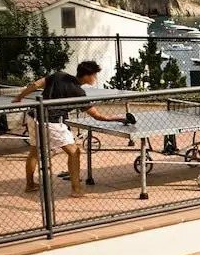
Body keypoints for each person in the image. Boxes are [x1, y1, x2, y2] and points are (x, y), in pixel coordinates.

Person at [12, 61, 125, 197]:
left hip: (33, 116)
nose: (95, 78)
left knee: (34, 151)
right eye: (94, 75)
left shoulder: (59, 75)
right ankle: (76, 189)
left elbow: (35, 84)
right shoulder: (78, 92)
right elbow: (98, 116)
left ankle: (30, 185)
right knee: (74, 152)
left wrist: (19, 97)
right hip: (50, 121)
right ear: (86, 76)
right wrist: (118, 118)